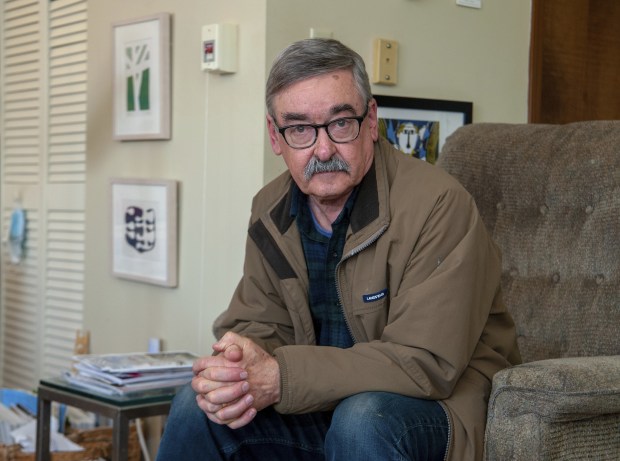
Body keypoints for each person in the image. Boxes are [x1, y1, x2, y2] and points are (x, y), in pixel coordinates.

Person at [156, 38, 520, 461]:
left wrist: (281, 377)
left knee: (362, 419)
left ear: (371, 122)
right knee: (194, 408)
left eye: (340, 123)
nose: (323, 148)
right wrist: (236, 367)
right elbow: (260, 323)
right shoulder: (270, 209)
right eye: (300, 130)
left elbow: (426, 363)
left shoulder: (438, 204)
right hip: (324, 406)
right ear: (276, 137)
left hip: (437, 410)